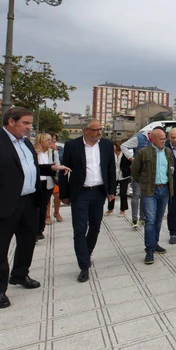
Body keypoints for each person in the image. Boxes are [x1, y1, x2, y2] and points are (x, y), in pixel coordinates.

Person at [0, 107, 70, 308]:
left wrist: (50, 168)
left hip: (28, 202)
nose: (29, 127)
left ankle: (19, 275)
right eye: (25, 123)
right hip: (2, 203)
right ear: (11, 121)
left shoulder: (25, 142)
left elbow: (28, 168)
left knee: (27, 242)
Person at [59, 119, 116, 283]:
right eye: (96, 130)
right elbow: (64, 171)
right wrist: (64, 194)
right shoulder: (72, 145)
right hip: (80, 192)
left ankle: (86, 252)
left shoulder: (106, 145)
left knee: (95, 227)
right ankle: (84, 266)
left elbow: (111, 168)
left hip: (99, 191)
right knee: (79, 229)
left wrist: (111, 190)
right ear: (86, 131)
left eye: (101, 129)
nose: (99, 132)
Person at [130, 127, 174, 264]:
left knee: (159, 220)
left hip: (164, 190)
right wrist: (142, 186)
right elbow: (135, 172)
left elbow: (171, 169)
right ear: (153, 139)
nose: (164, 141)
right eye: (161, 139)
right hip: (150, 191)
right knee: (150, 220)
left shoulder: (168, 152)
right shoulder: (143, 152)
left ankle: (155, 243)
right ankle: (149, 250)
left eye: (164, 138)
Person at [121, 127, 152, 227]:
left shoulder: (154, 141)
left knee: (144, 196)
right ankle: (134, 219)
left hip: (148, 173)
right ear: (150, 133)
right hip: (137, 172)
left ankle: (142, 218)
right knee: (136, 195)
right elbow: (123, 146)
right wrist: (131, 158)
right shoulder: (139, 138)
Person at [34, 133, 60, 240]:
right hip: (36, 183)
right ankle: (34, 230)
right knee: (36, 207)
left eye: (51, 140)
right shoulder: (34, 152)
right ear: (40, 141)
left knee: (44, 205)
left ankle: (40, 229)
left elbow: (57, 166)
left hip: (48, 183)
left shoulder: (53, 152)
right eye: (47, 140)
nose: (50, 142)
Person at [105, 140, 131, 217]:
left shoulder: (124, 153)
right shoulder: (110, 154)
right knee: (111, 193)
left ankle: (122, 210)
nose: (112, 148)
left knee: (123, 193)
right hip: (113, 176)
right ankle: (110, 209)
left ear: (117, 146)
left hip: (123, 176)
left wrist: (128, 169)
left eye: (114, 146)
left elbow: (130, 162)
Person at [47, 132, 63, 223]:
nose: (53, 141)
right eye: (51, 139)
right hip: (45, 175)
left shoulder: (58, 149)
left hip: (55, 175)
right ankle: (47, 215)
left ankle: (56, 212)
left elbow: (61, 160)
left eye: (54, 139)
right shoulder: (41, 150)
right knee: (47, 196)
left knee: (57, 195)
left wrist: (55, 150)